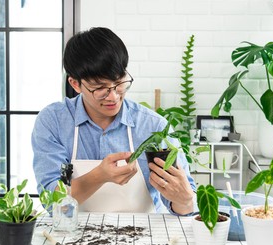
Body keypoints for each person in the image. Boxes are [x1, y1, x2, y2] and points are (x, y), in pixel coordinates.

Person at [31, 27, 196, 215]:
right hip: (75, 235)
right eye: (100, 88)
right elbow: (52, 203)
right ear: (75, 84)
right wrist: (99, 176)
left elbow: (184, 206)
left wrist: (185, 200)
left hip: (144, 236)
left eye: (119, 83)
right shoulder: (53, 122)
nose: (113, 96)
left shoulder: (154, 126)